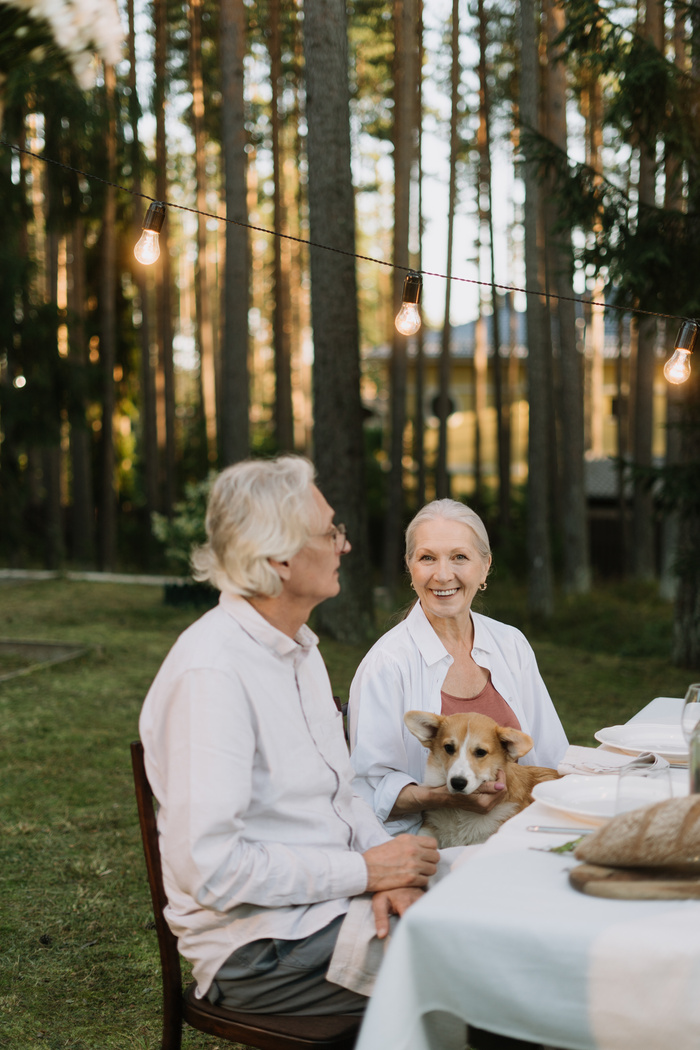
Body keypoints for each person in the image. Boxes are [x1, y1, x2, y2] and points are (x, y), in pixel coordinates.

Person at [139, 455, 439, 1017]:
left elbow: (344, 796)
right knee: (483, 962)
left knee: (501, 896)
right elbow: (210, 870)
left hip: (331, 903)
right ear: (279, 557)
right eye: (331, 532)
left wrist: (389, 871)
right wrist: (369, 871)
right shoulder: (213, 674)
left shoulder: (299, 647)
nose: (343, 546)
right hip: (261, 946)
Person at [348, 498, 568, 837]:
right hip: (429, 844)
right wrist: (448, 798)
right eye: (427, 558)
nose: (443, 574)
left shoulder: (511, 644)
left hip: (522, 830)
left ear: (484, 567)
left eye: (459, 557)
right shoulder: (387, 664)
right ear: (411, 568)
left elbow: (552, 755)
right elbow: (368, 790)